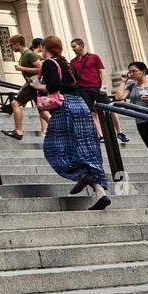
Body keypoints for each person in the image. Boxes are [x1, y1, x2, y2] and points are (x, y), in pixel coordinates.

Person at [40, 36, 110, 210]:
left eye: (42, 48)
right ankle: (100, 192)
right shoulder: (68, 64)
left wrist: (38, 86)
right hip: (81, 106)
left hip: (65, 108)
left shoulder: (49, 63)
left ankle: (82, 175)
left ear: (45, 48)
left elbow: (54, 86)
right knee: (85, 150)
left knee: (53, 148)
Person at [71, 38, 125, 143]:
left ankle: (119, 132)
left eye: (74, 46)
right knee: (92, 113)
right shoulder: (73, 62)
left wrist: (103, 86)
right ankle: (100, 135)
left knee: (110, 109)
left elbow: (101, 71)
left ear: (81, 45)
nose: (73, 49)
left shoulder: (94, 57)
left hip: (96, 87)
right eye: (72, 47)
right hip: (83, 89)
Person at [4, 36, 46, 140]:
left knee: (15, 103)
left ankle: (18, 131)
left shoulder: (29, 54)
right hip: (32, 85)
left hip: (35, 85)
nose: (10, 47)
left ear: (17, 43)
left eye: (11, 45)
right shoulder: (24, 55)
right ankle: (57, 130)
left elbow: (41, 68)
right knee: (42, 110)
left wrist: (21, 68)